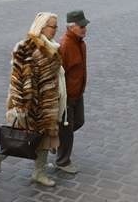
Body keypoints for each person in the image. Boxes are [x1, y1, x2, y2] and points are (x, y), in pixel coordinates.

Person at [0, 12, 67, 187]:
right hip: (32, 104)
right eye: (52, 26)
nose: (55, 30)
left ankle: (39, 173)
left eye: (56, 26)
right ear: (41, 26)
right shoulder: (27, 48)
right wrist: (22, 107)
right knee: (21, 139)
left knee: (46, 139)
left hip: (49, 103)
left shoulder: (52, 46)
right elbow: (20, 81)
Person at [56, 10, 89, 174]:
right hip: (67, 96)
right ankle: (63, 161)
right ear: (71, 27)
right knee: (67, 131)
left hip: (78, 93)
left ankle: (56, 141)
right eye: (81, 26)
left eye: (85, 25)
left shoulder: (80, 42)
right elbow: (58, 74)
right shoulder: (65, 45)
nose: (85, 28)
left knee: (79, 122)